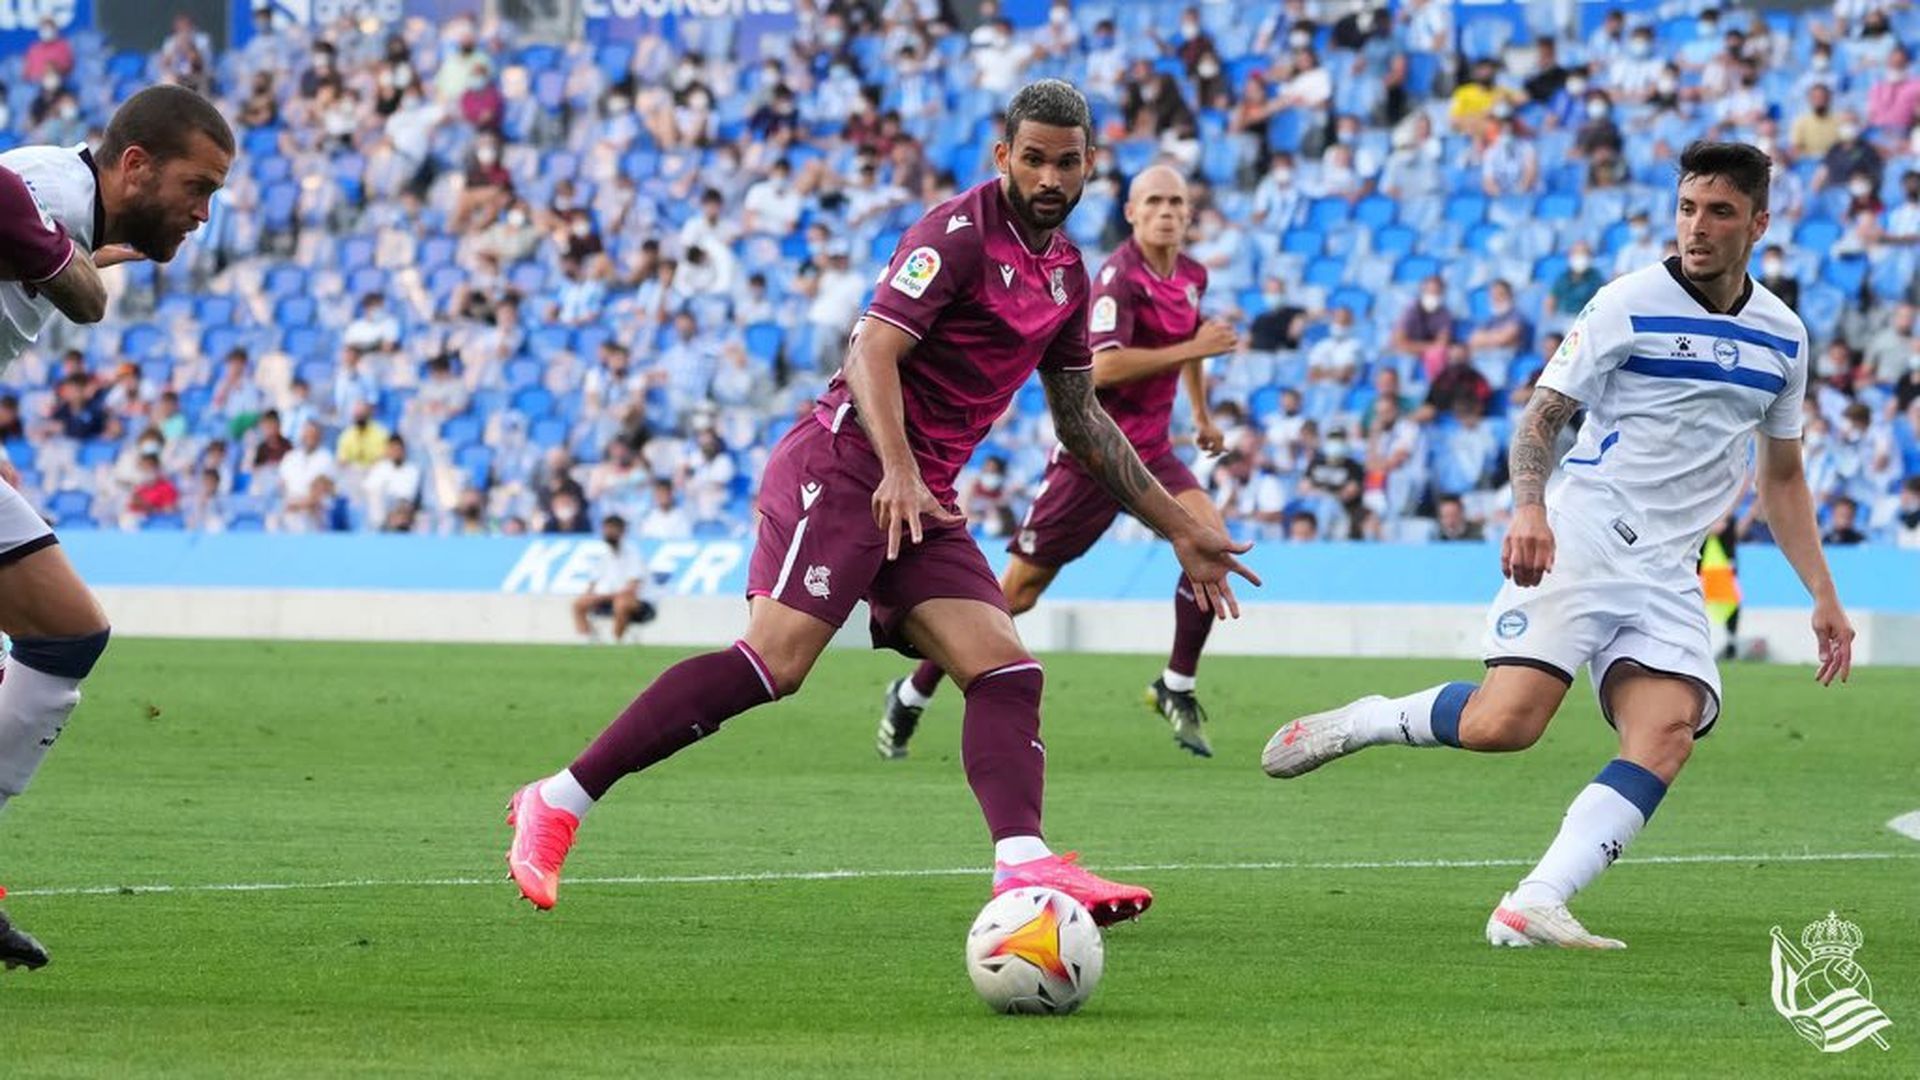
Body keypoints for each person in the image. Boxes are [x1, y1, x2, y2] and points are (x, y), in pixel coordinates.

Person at [503, 81, 1256, 924]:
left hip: (918, 490)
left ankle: (1023, 866)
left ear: (1088, 168)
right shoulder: (957, 235)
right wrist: (898, 468)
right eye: (1033, 158)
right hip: (848, 462)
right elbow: (871, 348)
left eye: (1066, 162)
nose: (1049, 176)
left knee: (1005, 669)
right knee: (774, 665)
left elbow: (1083, 422)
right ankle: (559, 800)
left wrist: (1183, 528)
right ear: (1004, 156)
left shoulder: (1068, 276)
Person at [1263, 143, 1853, 948]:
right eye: (1687, 208)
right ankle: (1372, 718)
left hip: (1669, 569)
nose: (1698, 227)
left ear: (1760, 223)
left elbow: (1782, 479)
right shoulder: (1625, 303)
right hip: (1581, 536)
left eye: (1719, 212)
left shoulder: (1784, 337)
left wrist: (1823, 593)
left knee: (1666, 733)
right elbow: (1541, 416)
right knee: (1504, 726)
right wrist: (1530, 510)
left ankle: (1535, 899)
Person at [878, 165, 1239, 761]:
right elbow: (1102, 369)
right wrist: (1195, 349)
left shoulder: (1192, 275)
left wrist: (1200, 415)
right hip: (1091, 460)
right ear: (1131, 212)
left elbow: (1192, 343)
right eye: (1154, 201)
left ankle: (1175, 683)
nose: (1167, 211)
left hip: (1152, 453)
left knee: (1210, 544)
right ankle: (913, 691)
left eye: (1177, 201)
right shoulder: (1117, 279)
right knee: (1016, 595)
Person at [0, 84, 234, 972]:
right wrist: (76, 275)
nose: (203, 213)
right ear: (133, 164)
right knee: (61, 634)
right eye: (197, 187)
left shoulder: (63, 201)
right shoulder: (49, 194)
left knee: (57, 637)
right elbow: (76, 292)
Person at [570, 515, 656, 643]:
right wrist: (589, 596)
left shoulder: (633, 555)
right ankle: (587, 639)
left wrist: (601, 597)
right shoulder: (604, 555)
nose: (608, 533)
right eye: (606, 529)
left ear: (622, 532)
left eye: (612, 529)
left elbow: (631, 591)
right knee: (579, 603)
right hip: (609, 599)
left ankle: (615, 641)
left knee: (621, 603)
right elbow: (592, 584)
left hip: (640, 604)